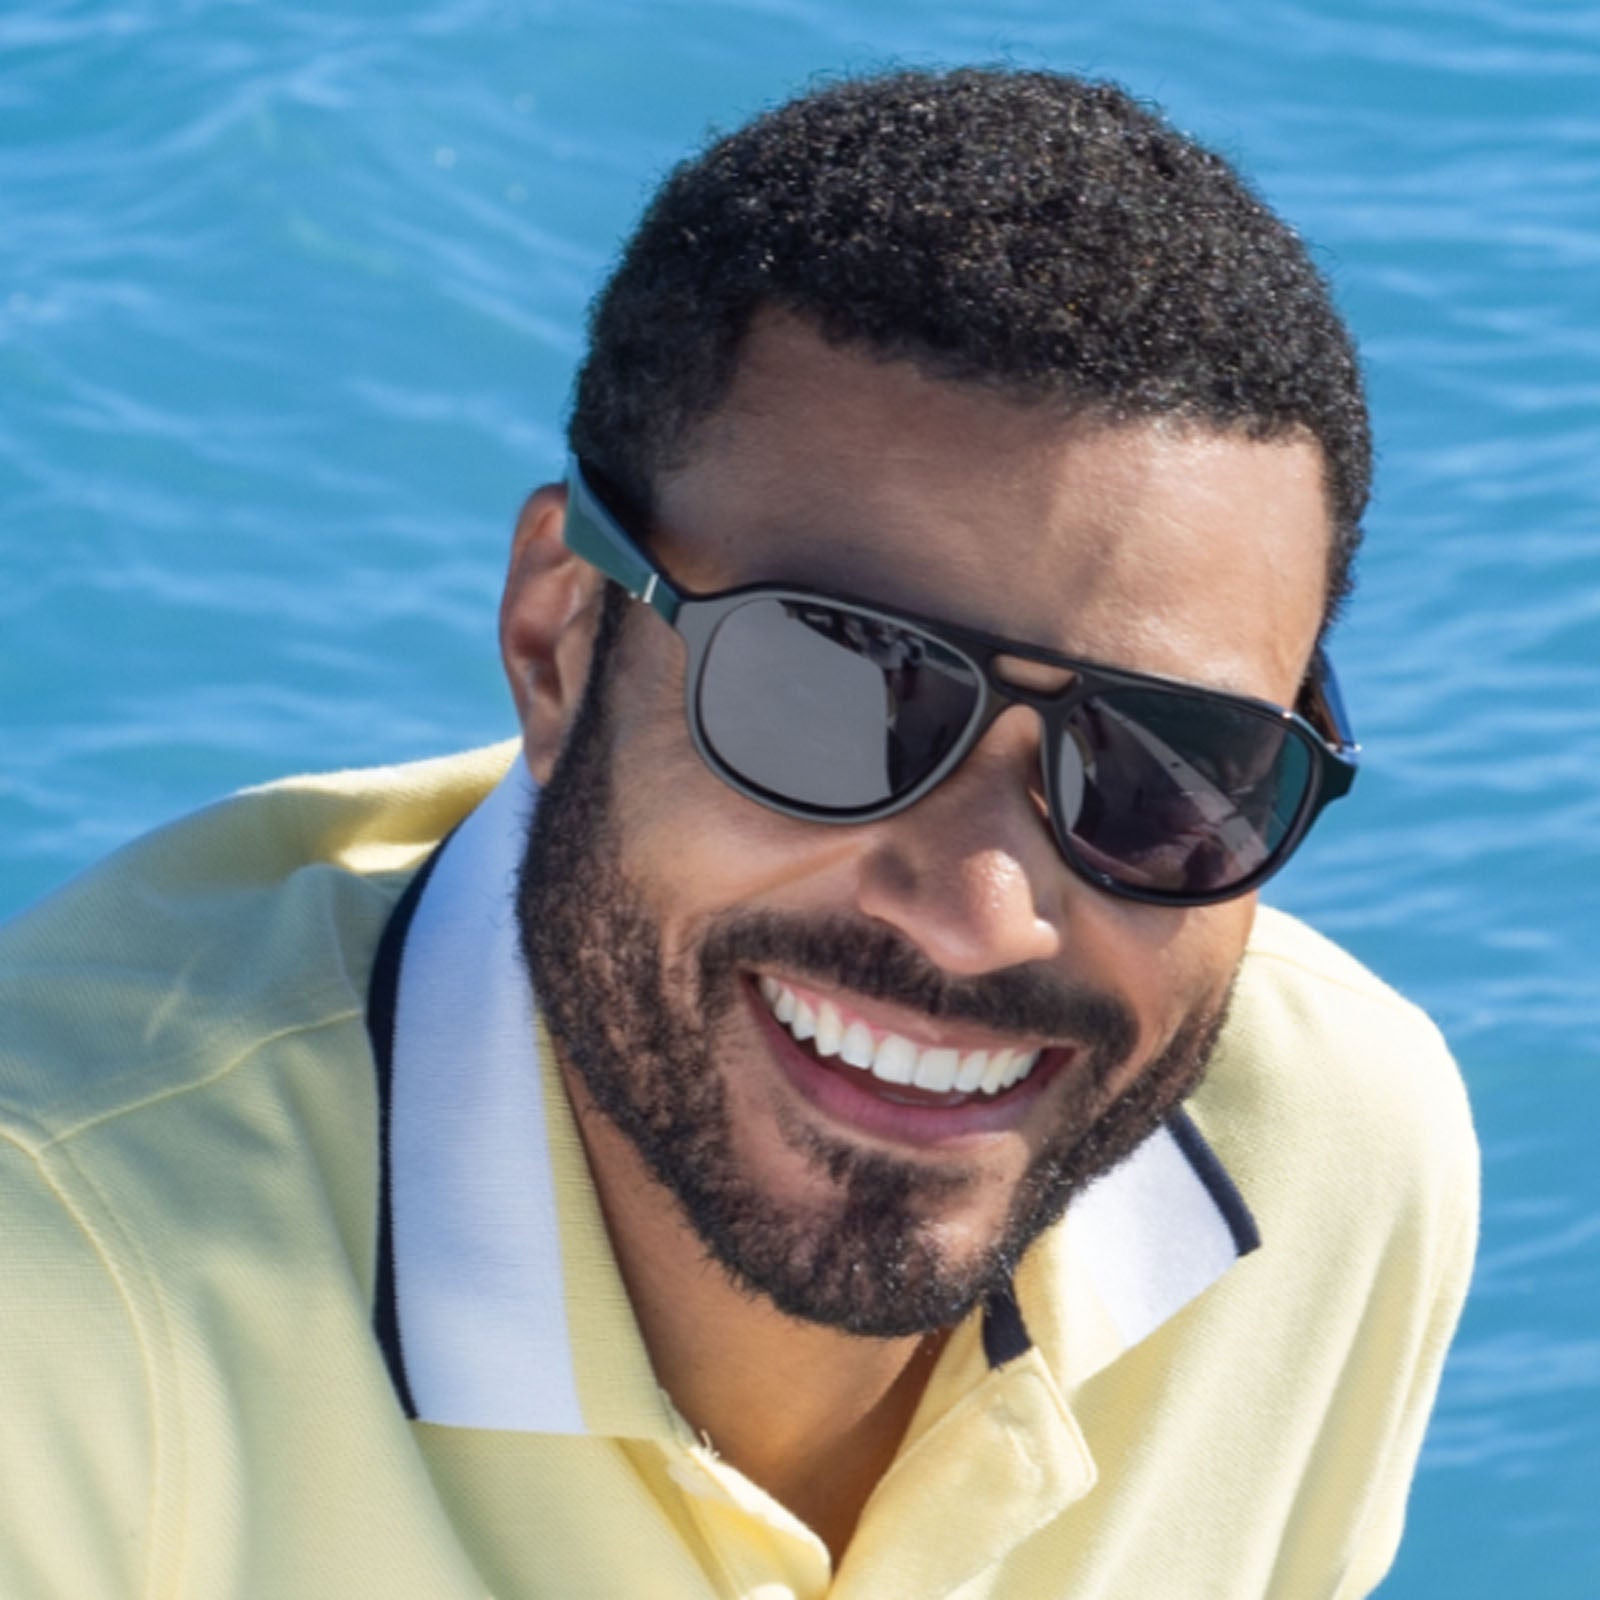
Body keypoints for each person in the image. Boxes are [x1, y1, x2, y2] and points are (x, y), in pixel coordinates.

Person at [0, 67, 1477, 1599]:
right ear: (561, 639)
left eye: (1170, 762)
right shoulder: (53, 1316)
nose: (983, 910)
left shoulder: (1332, 1163)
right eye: (835, 691)